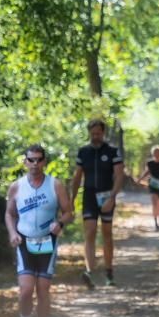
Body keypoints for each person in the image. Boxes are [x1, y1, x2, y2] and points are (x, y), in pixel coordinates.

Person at [5, 143, 74, 317]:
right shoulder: (16, 186)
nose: (35, 164)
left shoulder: (55, 185)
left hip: (47, 242)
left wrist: (59, 223)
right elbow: (9, 213)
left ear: (44, 162)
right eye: (31, 160)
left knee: (43, 288)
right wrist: (13, 233)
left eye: (38, 160)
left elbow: (69, 212)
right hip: (25, 241)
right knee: (26, 290)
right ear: (25, 162)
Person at [70, 119, 124, 287]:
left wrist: (112, 197)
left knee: (106, 233)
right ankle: (89, 272)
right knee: (90, 232)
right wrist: (71, 200)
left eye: (98, 134)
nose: (95, 137)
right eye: (93, 134)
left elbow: (119, 176)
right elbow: (77, 177)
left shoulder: (113, 151)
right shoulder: (83, 152)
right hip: (89, 196)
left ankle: (109, 272)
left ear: (103, 133)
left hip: (107, 195)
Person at [136, 144, 159, 231]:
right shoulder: (150, 163)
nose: (156, 154)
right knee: (154, 204)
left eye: (158, 152)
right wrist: (140, 179)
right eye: (155, 152)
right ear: (152, 153)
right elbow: (147, 172)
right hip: (153, 186)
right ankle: (156, 224)